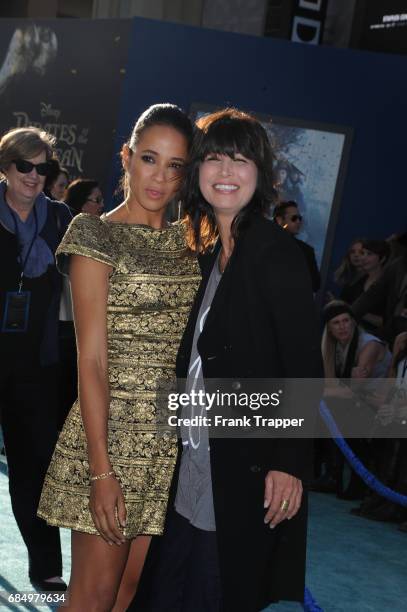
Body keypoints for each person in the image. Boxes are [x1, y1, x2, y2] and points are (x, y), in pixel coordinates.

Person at [132, 108, 322, 611]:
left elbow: (303, 366)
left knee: (213, 592)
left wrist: (288, 464)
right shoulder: (210, 250)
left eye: (240, 160)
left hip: (243, 465)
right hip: (193, 457)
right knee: (169, 590)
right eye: (214, 158)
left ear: (260, 174)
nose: (225, 172)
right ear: (196, 171)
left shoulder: (277, 253)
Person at [37, 103, 200, 611]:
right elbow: (92, 361)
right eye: (149, 158)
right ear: (126, 157)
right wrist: (102, 471)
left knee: (127, 596)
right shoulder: (95, 234)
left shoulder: (191, 241)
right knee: (92, 597)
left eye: (175, 165)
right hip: (109, 434)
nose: (159, 176)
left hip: (166, 440)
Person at [0, 126, 71, 590]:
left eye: (42, 168)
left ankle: (45, 566)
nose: (33, 175)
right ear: (5, 167)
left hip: (38, 370)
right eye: (24, 165)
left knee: (37, 469)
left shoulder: (61, 220)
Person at [321, 300, 392, 498]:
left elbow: (354, 390)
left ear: (354, 322)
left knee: (344, 411)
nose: (342, 326)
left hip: (382, 404)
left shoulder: (368, 344)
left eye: (346, 321)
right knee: (325, 409)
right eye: (336, 323)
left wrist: (321, 392)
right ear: (329, 328)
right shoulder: (332, 348)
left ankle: (357, 480)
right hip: (360, 401)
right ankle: (332, 474)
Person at [273, 200, 321, 292]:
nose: (298, 222)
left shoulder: (307, 251)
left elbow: (315, 284)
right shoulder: (264, 244)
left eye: (300, 218)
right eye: (294, 218)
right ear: (279, 220)